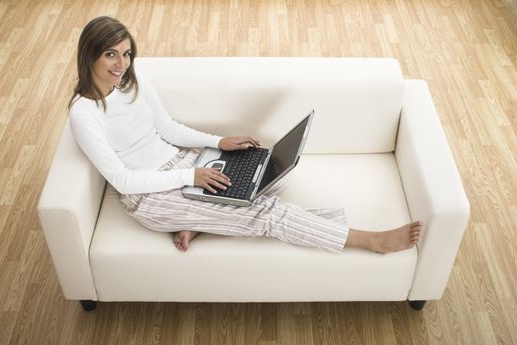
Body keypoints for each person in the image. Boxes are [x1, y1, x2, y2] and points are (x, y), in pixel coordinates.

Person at [69, 16, 422, 253]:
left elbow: (167, 128)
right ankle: (368, 240)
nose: (121, 64)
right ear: (91, 57)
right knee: (263, 213)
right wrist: (191, 176)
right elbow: (123, 180)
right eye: (110, 55)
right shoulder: (83, 113)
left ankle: (200, 221)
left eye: (126, 53)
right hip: (149, 196)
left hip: (183, 164)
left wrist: (217, 142)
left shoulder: (135, 82)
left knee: (268, 167)